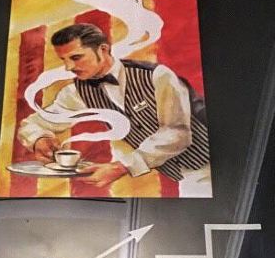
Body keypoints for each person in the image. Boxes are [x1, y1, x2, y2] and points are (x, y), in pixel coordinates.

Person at [17, 23, 211, 196]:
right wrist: (39, 139)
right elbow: (33, 124)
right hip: (183, 176)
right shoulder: (76, 92)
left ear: (103, 49)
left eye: (76, 57)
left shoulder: (157, 76)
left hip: (211, 166)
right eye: (64, 60)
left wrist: (121, 167)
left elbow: (177, 133)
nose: (69, 67)